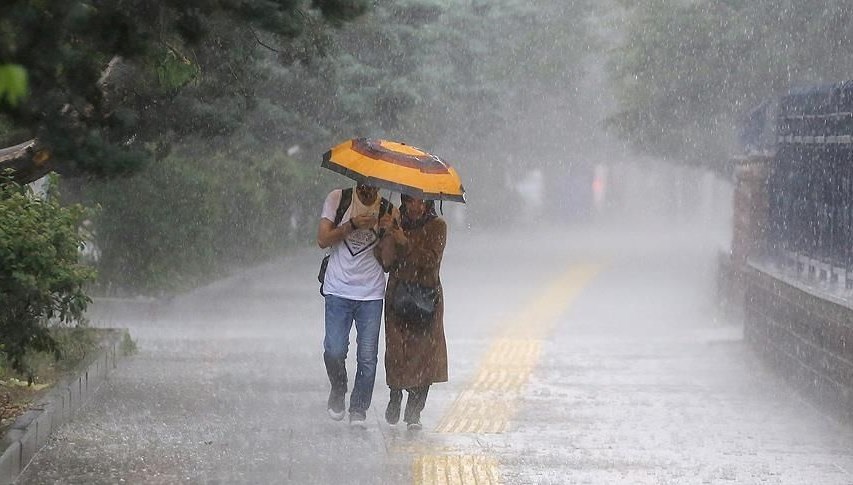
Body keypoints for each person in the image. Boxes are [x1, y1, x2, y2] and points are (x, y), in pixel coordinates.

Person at [317, 183, 396, 428]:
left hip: (370, 293)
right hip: (338, 289)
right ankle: (338, 388)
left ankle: (359, 408)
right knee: (334, 349)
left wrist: (388, 232)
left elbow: (389, 262)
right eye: (365, 183)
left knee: (368, 356)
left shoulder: (388, 209)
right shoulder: (338, 198)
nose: (369, 189)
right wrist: (351, 225)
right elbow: (322, 239)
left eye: (374, 185)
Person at [376, 194, 448, 430]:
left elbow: (430, 259)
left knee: (425, 355)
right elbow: (385, 262)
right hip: (398, 295)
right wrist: (385, 234)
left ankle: (414, 411)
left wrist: (403, 240)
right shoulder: (396, 220)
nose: (415, 206)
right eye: (410, 201)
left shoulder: (437, 226)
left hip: (426, 296)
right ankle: (395, 394)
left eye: (421, 202)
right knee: (397, 349)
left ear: (428, 203)